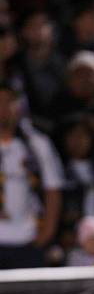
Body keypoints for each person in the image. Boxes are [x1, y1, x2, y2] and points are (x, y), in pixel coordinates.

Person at [0, 83, 63, 269]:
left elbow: (53, 189)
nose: (3, 108)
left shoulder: (37, 144)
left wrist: (47, 232)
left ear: (19, 105)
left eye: (9, 101)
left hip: (28, 238)